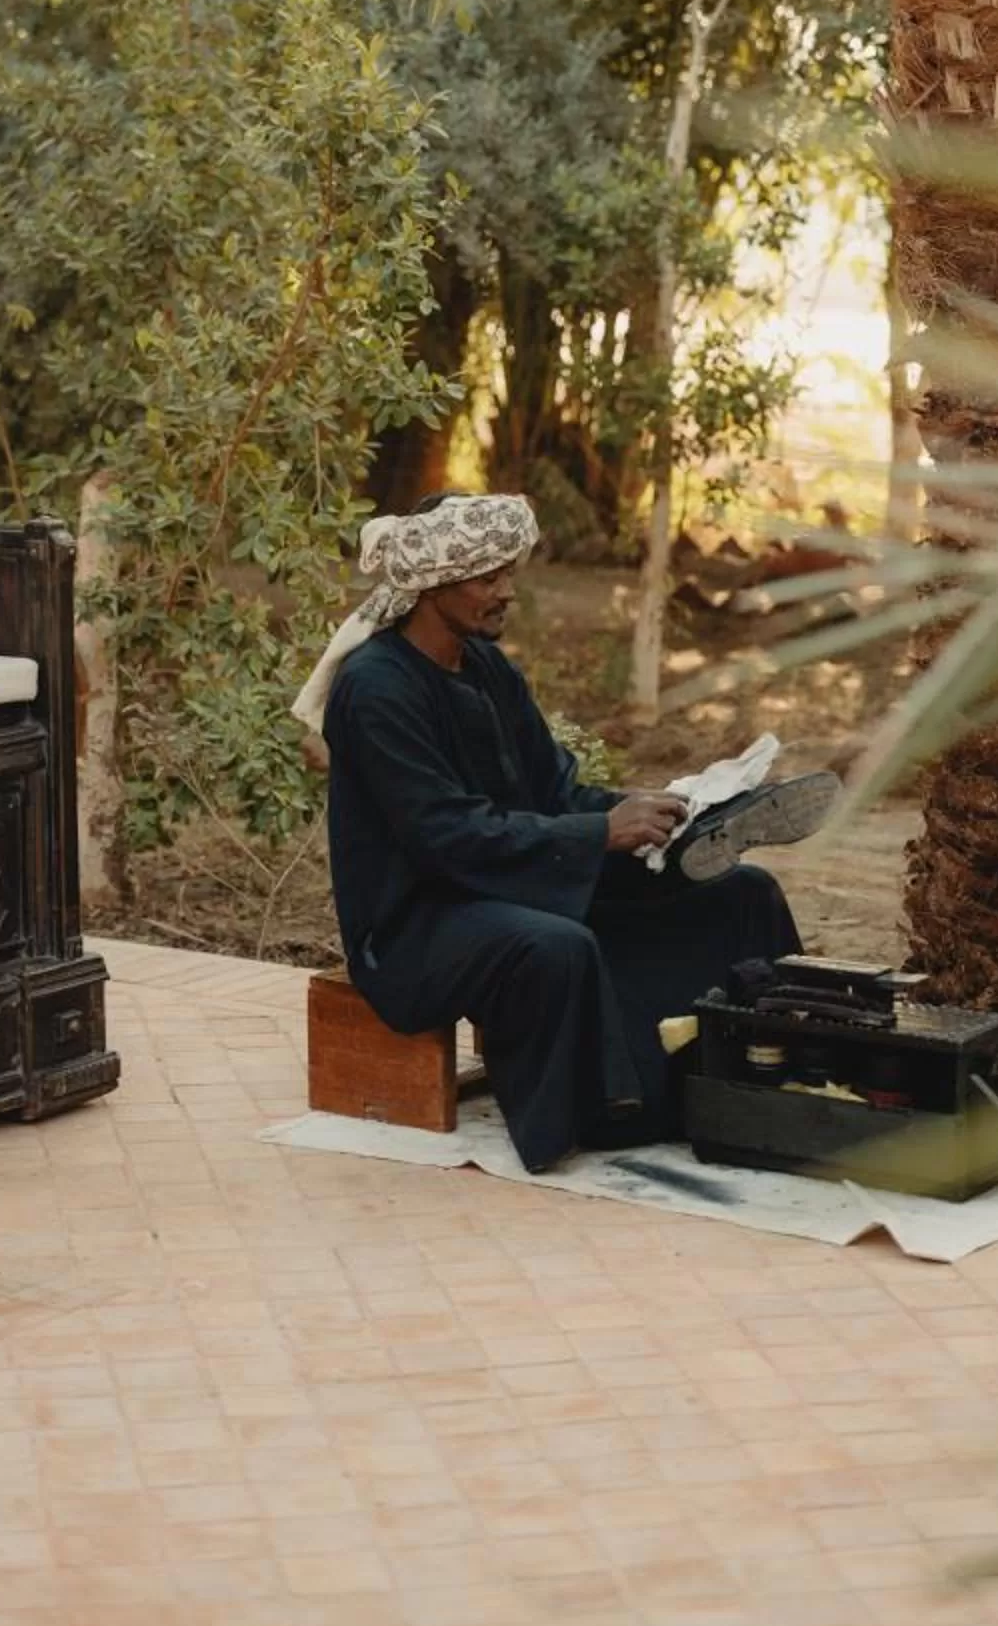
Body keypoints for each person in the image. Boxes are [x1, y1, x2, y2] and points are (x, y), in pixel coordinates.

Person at [294, 493, 835, 1173]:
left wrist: (651, 811)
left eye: (508, 574)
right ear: (432, 583)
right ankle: (613, 1110)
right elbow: (446, 837)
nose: (505, 592)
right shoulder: (375, 690)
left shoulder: (488, 667)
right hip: (414, 925)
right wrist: (595, 835)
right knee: (556, 946)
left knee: (742, 892)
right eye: (487, 577)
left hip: (514, 879)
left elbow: (555, 791)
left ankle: (761, 1078)